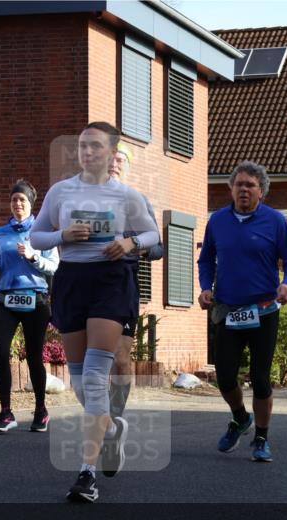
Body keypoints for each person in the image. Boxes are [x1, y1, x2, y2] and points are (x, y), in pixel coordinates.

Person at [30, 122, 160, 503]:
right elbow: (37, 237)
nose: (87, 152)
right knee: (78, 379)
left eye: (95, 147)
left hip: (110, 281)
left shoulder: (127, 195)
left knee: (96, 372)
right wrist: (63, 237)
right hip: (72, 281)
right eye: (83, 146)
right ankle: (111, 427)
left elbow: (153, 236)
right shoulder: (61, 191)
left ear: (110, 153)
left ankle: (87, 474)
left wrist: (129, 241)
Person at [198, 160, 287, 462]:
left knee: (260, 378)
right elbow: (206, 260)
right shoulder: (217, 221)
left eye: (250, 185)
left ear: (261, 192)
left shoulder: (275, 221)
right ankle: (240, 417)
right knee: (226, 377)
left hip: (265, 310)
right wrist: (206, 287)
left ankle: (261, 437)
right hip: (229, 310)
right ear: (230, 189)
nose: (243, 189)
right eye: (238, 184)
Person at [0, 180, 59, 433]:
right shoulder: (1, 233)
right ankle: (6, 413)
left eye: (23, 200)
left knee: (34, 356)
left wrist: (33, 256)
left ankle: (41, 410)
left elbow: (54, 266)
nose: (18, 204)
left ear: (31, 204)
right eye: (14, 200)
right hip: (6, 298)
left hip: (36, 299)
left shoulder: (42, 233)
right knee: (0, 354)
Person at [107, 142, 165, 424]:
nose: (114, 164)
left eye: (120, 160)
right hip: (89, 286)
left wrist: (135, 245)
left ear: (127, 168)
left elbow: (158, 249)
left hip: (123, 287)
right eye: (110, 159)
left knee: (120, 358)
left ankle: (114, 416)